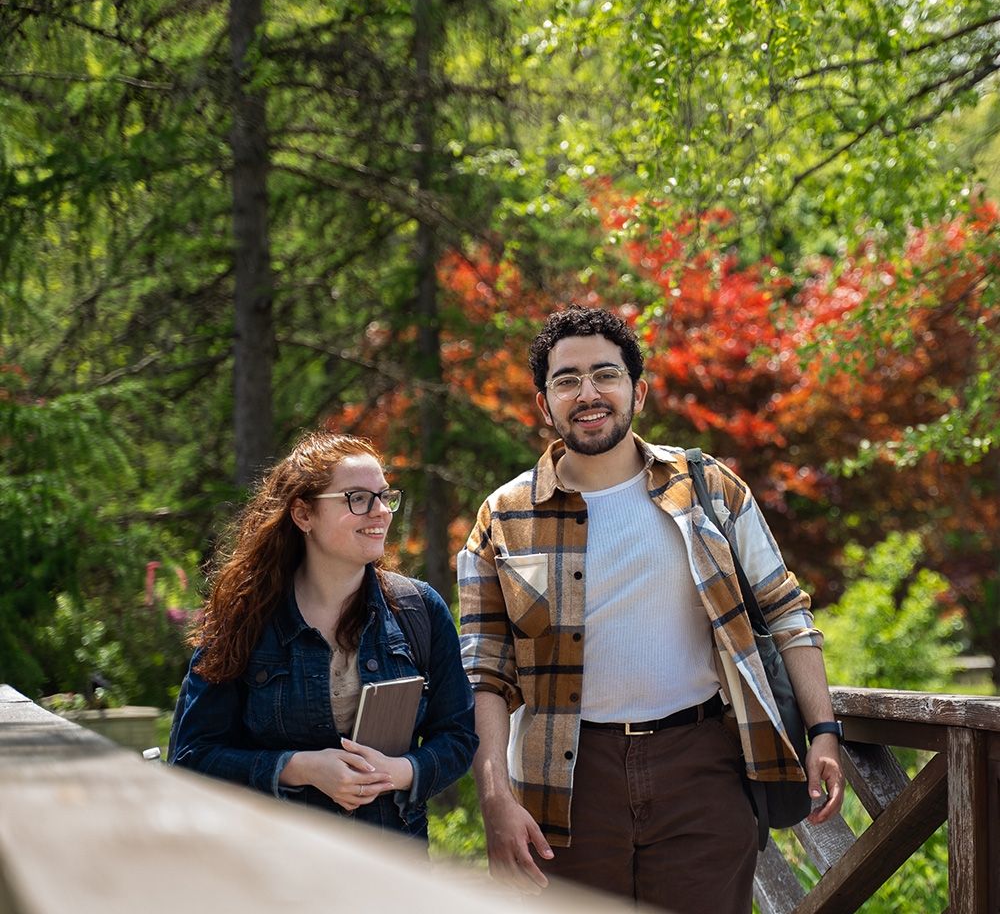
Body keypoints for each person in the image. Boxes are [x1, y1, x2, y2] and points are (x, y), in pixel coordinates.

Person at [458, 305, 845, 912]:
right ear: (545, 405)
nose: (587, 394)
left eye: (604, 375)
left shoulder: (708, 486)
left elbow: (787, 611)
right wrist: (495, 799)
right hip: (565, 784)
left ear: (636, 390)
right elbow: (484, 673)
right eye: (566, 381)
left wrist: (824, 732)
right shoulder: (503, 516)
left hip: (701, 766)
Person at [171, 430, 477, 841]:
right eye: (357, 498)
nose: (381, 512)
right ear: (303, 515)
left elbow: (457, 736)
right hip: (279, 868)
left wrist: (401, 771)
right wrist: (298, 767)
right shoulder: (244, 618)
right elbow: (192, 756)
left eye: (385, 496)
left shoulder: (419, 611)